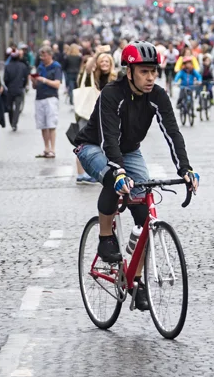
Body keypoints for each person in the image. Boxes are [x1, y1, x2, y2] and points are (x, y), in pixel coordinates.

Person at [73, 41, 199, 311]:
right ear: (129, 72)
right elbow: (109, 137)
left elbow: (173, 133)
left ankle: (136, 283)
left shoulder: (158, 96)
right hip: (93, 146)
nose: (151, 77)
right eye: (144, 71)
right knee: (113, 179)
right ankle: (105, 238)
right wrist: (118, 171)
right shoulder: (111, 93)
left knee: (145, 219)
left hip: (130, 150)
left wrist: (185, 169)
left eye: (154, 71)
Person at [75, 51, 116, 184]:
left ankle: (102, 172)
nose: (104, 64)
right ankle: (81, 175)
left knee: (104, 144)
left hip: (106, 116)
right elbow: (88, 68)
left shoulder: (115, 78)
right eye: (102, 61)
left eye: (107, 61)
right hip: (87, 114)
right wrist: (97, 53)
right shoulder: (92, 76)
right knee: (83, 144)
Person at [33, 46, 62, 159]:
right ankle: (46, 148)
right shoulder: (40, 67)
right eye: (41, 56)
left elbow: (57, 84)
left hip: (51, 97)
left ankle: (53, 149)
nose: (42, 58)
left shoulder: (56, 67)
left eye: (44, 55)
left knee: (51, 124)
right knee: (42, 124)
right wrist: (34, 81)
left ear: (50, 55)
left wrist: (43, 80)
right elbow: (35, 86)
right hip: (39, 97)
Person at [3, 48, 31, 131]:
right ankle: (15, 123)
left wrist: (8, 86)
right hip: (19, 89)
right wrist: (23, 85)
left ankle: (12, 122)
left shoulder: (8, 67)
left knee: (10, 107)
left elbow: (5, 79)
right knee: (18, 107)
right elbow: (26, 78)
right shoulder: (23, 66)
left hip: (10, 90)